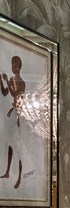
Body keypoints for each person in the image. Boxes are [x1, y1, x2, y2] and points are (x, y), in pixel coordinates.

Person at [0, 55, 25, 189]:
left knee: (18, 145)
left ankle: (20, 177)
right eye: (12, 64)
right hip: (13, 114)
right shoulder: (11, 80)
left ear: (19, 66)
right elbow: (5, 93)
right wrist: (1, 81)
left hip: (19, 115)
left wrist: (7, 82)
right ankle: (8, 172)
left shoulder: (21, 82)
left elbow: (15, 94)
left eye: (14, 64)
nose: (13, 66)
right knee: (9, 142)